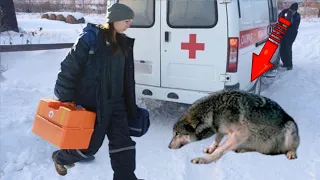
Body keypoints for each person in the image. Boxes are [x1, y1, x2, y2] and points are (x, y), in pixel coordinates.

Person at [51, 3, 143, 180]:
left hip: (117, 104)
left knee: (123, 145)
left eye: (130, 21)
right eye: (126, 20)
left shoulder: (124, 43)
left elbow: (125, 78)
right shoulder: (90, 39)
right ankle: (60, 157)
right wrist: (66, 98)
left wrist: (129, 104)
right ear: (114, 19)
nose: (129, 25)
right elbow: (68, 69)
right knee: (88, 147)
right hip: (94, 105)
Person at [278, 2, 301, 70]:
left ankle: (289, 64)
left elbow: (294, 26)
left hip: (291, 34)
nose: (292, 12)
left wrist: (287, 23)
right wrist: (284, 22)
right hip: (283, 32)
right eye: (291, 10)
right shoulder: (284, 12)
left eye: (293, 11)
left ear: (296, 10)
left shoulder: (297, 16)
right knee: (282, 48)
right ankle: (285, 63)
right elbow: (279, 19)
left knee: (288, 48)